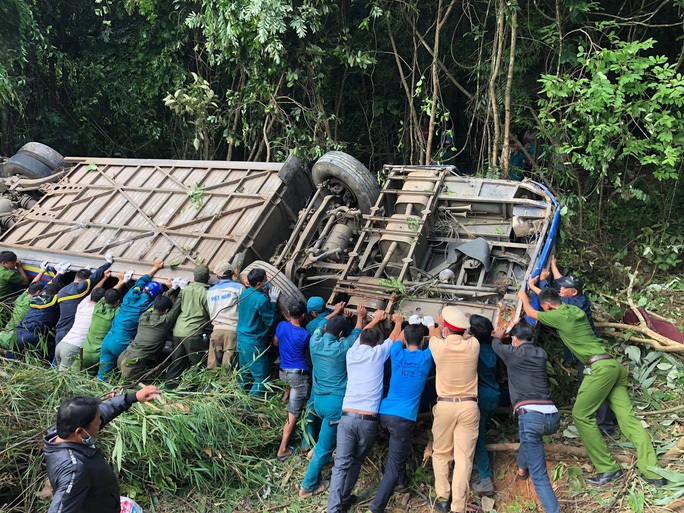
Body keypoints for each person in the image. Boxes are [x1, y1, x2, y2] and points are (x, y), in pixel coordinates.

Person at [518, 288, 665, 487]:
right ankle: (653, 472)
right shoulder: (574, 310)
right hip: (613, 366)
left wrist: (523, 297)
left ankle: (608, 469)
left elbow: (531, 313)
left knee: (580, 415)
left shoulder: (558, 317)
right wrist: (537, 288)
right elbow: (551, 299)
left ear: (547, 306)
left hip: (599, 369)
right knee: (628, 419)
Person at [528, 257, 616, 436]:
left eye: (564, 288)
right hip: (592, 351)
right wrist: (553, 266)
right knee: (599, 388)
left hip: (588, 354)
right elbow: (559, 287)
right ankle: (611, 419)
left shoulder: (573, 305)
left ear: (573, 293)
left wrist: (535, 286)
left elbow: (549, 298)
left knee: (593, 388)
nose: (560, 289)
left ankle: (605, 426)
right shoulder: (576, 297)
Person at [43, 385, 161, 512]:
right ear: (79, 432)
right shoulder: (74, 470)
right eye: (97, 421)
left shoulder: (59, 432)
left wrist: (132, 397)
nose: (101, 422)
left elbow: (103, 412)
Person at [326, 310, 396, 513]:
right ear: (375, 344)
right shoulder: (378, 353)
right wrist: (398, 322)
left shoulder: (351, 353)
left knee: (341, 465)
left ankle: (335, 508)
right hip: (368, 421)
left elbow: (362, 334)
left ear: (361, 341)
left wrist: (374, 320)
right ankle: (345, 497)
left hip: (346, 418)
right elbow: (393, 338)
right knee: (356, 460)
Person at [299, 306, 369, 498]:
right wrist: (361, 317)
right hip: (335, 404)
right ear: (340, 334)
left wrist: (336, 312)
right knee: (326, 448)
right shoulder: (342, 347)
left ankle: (315, 449)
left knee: (326, 437)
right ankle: (308, 486)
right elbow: (358, 334)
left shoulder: (315, 341)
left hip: (319, 401)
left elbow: (322, 324)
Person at [366, 317, 434, 513]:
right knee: (393, 466)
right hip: (403, 420)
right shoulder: (426, 357)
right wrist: (430, 325)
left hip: (384, 413)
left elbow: (397, 337)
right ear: (423, 342)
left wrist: (404, 324)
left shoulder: (396, 353)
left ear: (405, 341)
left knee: (396, 453)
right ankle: (376, 508)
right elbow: (436, 339)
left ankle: (403, 483)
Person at [492, 323, 560, 513]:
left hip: (530, 417)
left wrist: (498, 336)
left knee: (539, 476)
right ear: (532, 339)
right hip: (553, 417)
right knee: (530, 441)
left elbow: (495, 344)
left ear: (514, 340)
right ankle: (522, 470)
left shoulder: (511, 353)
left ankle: (554, 510)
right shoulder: (541, 354)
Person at [428, 306, 480, 513]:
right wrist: (457, 324)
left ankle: (442, 498)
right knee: (463, 458)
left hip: (445, 405)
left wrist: (439, 323)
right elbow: (468, 335)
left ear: (447, 331)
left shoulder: (438, 347)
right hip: (469, 405)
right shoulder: (473, 346)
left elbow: (433, 333)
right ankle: (458, 506)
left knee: (440, 453)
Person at [97, 261, 164, 379]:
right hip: (122, 342)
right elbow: (160, 308)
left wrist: (155, 268)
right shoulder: (149, 305)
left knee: (103, 374)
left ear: (143, 290)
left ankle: (99, 391)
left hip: (108, 339)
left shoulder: (130, 294)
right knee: (129, 371)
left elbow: (141, 281)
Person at [118, 280, 182, 382]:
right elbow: (177, 307)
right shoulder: (164, 321)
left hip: (124, 356)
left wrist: (172, 289)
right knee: (129, 389)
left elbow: (157, 303)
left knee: (123, 383)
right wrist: (182, 290)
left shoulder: (144, 316)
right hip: (133, 363)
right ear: (166, 311)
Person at [274, 300, 311, 460]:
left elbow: (275, 342)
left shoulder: (281, 326)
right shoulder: (304, 334)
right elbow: (311, 351)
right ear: (303, 315)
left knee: (287, 395)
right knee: (293, 413)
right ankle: (282, 450)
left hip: (283, 372)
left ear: (288, 312)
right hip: (298, 375)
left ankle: (275, 420)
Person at [236, 268, 281, 396]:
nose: (267, 282)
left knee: (243, 375)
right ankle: (246, 407)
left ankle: (237, 404)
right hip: (253, 343)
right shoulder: (261, 300)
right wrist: (272, 302)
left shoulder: (245, 294)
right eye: (265, 281)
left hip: (241, 340)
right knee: (262, 379)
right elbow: (270, 321)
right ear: (258, 284)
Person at [10, 263, 70, 358]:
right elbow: (57, 292)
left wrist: (59, 273)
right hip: (33, 335)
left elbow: (48, 287)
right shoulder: (52, 301)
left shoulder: (35, 299)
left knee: (11, 358)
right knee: (48, 356)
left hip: (17, 332)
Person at [469, 315, 501, 495]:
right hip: (493, 396)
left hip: (480, 398)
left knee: (478, 438)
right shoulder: (491, 349)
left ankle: (485, 478)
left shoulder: (473, 349)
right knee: (480, 432)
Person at [166, 265, 211, 381]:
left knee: (176, 362)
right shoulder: (206, 293)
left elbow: (177, 305)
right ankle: (188, 387)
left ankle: (169, 386)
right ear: (208, 278)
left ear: (194, 277)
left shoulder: (185, 290)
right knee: (197, 364)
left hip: (178, 331)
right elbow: (210, 313)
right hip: (193, 333)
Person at [54, 254, 112, 345]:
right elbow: (95, 276)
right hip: (71, 332)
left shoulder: (62, 291)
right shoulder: (79, 289)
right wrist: (108, 263)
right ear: (85, 279)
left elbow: (52, 283)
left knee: (59, 356)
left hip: (60, 329)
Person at [55, 287, 107, 370]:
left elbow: (91, 293)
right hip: (72, 348)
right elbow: (108, 299)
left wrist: (104, 278)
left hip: (62, 344)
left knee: (57, 376)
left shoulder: (82, 304)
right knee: (65, 378)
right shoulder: (96, 311)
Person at [0, 263, 49, 349]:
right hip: (12, 339)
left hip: (3, 334)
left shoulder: (20, 300)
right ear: (38, 293)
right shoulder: (33, 303)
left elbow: (31, 286)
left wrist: (41, 271)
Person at [206, 260, 245, 369]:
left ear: (218, 277)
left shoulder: (210, 292)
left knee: (212, 367)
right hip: (232, 332)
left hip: (216, 331)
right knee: (227, 369)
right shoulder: (239, 288)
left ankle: (210, 386)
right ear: (233, 274)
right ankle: (225, 386)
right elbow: (244, 309)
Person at [81, 287, 123, 375]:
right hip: (99, 356)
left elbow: (104, 298)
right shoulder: (115, 314)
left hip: (84, 352)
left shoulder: (97, 308)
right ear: (118, 302)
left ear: (104, 301)